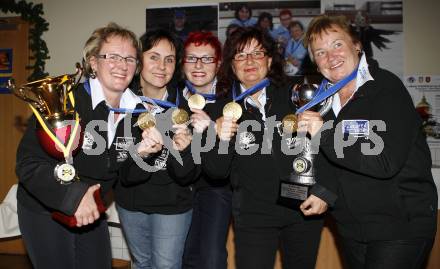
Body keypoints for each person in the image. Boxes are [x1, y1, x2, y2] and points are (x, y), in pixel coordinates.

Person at [300, 14, 438, 269]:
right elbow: (333, 161)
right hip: (353, 228)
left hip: (400, 227)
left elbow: (384, 162)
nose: (331, 57)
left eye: (337, 44)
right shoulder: (326, 101)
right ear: (315, 63)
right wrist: (324, 193)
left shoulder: (385, 88)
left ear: (356, 45)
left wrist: (324, 134)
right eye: (320, 52)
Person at [203, 27, 337, 269]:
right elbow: (216, 172)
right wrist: (221, 139)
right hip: (254, 216)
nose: (250, 61)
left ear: (270, 59)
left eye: (257, 53)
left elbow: (326, 148)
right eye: (241, 55)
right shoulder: (222, 109)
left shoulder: (296, 95)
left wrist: (325, 191)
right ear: (232, 65)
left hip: (303, 210)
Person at [16, 22, 144, 268]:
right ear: (93, 62)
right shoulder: (65, 100)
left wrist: (142, 154)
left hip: (92, 208)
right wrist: (74, 195)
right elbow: (28, 163)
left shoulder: (138, 112)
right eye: (113, 56)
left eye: (130, 58)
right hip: (45, 208)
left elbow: (125, 174)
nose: (122, 65)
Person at [114, 28, 197, 269]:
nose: (162, 66)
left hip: (172, 205)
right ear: (139, 60)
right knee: (141, 264)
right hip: (130, 203)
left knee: (166, 266)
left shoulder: (186, 109)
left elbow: (188, 174)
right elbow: (120, 167)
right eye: (154, 57)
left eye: (169, 59)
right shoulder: (121, 104)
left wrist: (181, 151)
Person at [180, 31, 232, 269]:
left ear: (218, 63)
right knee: (186, 257)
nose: (199, 65)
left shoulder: (231, 103)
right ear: (183, 62)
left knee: (211, 259)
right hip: (179, 189)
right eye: (192, 58)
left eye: (207, 59)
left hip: (215, 188)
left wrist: (213, 129)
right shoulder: (172, 98)